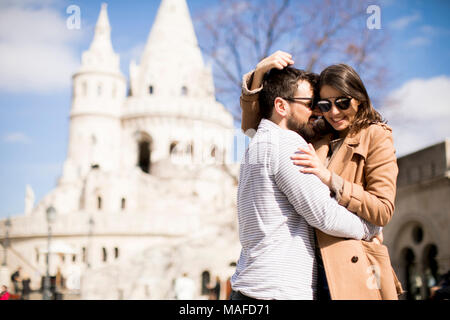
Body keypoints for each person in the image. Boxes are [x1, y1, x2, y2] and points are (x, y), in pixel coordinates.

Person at [240, 51, 402, 299]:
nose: (334, 112)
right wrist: (259, 74)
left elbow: (382, 210)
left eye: (343, 103)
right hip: (306, 270)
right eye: (324, 105)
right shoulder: (313, 135)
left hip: (347, 264)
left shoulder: (375, 136)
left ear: (359, 99)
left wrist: (331, 179)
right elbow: (261, 124)